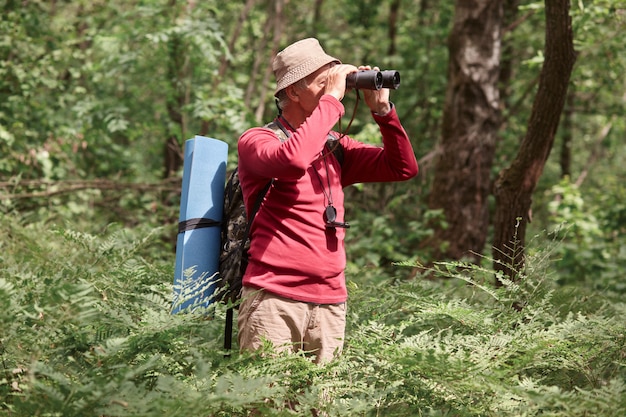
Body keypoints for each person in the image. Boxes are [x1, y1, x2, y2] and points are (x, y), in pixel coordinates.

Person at [236, 37, 418, 363]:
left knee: (319, 409)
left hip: (331, 304)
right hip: (275, 300)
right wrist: (332, 99)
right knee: (266, 410)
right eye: (323, 82)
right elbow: (292, 161)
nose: (334, 90)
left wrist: (382, 110)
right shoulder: (257, 141)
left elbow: (402, 167)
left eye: (335, 82)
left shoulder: (335, 148)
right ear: (292, 91)